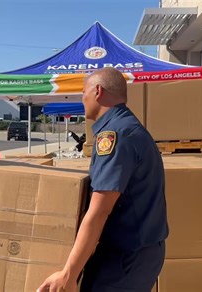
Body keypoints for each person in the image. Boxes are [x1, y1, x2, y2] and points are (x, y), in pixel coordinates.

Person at [38, 68, 169, 292]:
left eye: (83, 92)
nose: (82, 99)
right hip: (138, 251)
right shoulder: (127, 128)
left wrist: (68, 275)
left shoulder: (115, 136)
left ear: (97, 91)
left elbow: (99, 211)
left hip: (126, 257)